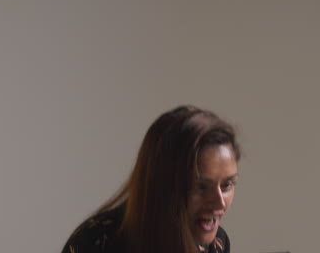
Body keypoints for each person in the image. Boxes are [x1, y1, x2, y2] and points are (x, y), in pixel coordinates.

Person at [61, 105, 241, 253]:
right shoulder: (95, 243)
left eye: (227, 185)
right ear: (162, 184)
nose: (220, 203)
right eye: (201, 187)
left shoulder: (216, 244)